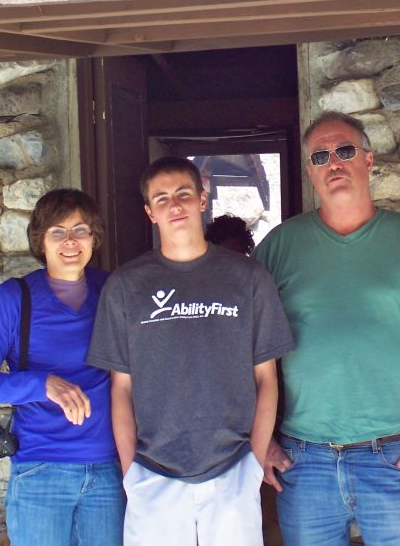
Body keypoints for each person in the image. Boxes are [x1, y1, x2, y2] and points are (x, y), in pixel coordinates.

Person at [253, 111, 400, 546]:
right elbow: (241, 344)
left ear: (369, 160)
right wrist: (258, 438)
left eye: (344, 151)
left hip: (392, 456)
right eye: (320, 156)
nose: (333, 163)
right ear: (309, 170)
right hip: (305, 458)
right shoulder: (280, 246)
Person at [87, 156, 295, 546]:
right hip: (153, 475)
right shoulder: (126, 286)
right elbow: (121, 389)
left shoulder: (248, 278)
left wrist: (253, 460)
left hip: (233, 469)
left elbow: (266, 379)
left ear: (203, 199)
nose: (175, 205)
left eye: (184, 193)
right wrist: (133, 472)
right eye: (162, 198)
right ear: (150, 212)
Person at [0, 189, 125, 546]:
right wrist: (43, 383)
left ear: (94, 238)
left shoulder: (112, 290)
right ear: (41, 240)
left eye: (80, 230)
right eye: (57, 232)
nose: (70, 241)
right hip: (41, 471)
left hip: (108, 470)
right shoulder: (15, 297)